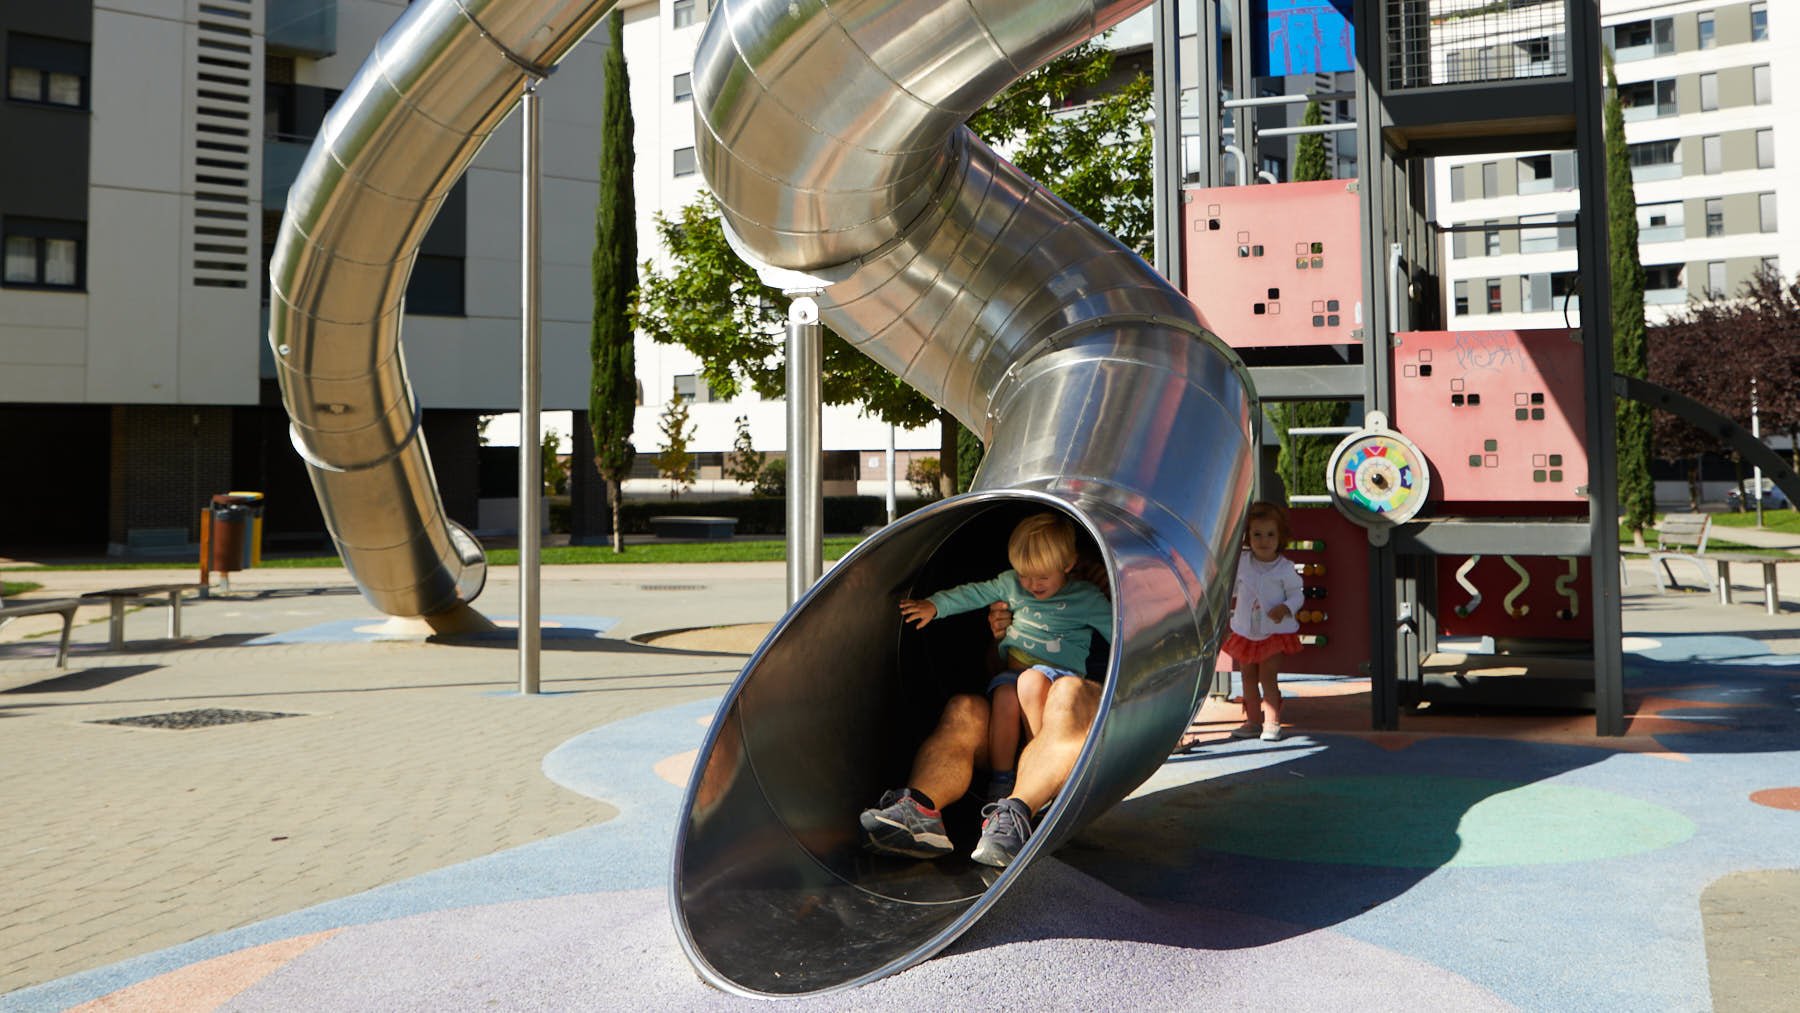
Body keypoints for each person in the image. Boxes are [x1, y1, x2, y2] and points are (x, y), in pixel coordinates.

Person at [867, 513, 1113, 868]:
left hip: (1070, 710)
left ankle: (1018, 811)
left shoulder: (1092, 599)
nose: (1033, 584)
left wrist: (1129, 596)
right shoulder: (1016, 591)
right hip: (1013, 711)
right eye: (1026, 573)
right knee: (966, 707)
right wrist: (995, 637)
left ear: (1071, 562)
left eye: (1043, 574)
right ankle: (921, 810)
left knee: (1067, 694)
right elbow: (994, 650)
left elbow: (1137, 638)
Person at [1224, 500, 1305, 742]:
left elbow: (1297, 593)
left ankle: (1272, 722)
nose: (1264, 540)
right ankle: (1252, 721)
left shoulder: (1284, 568)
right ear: (1248, 537)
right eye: (1257, 534)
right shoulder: (1243, 563)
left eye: (1270, 534)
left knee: (1267, 676)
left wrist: (1286, 607)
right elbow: (1235, 588)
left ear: (1280, 537)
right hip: (1245, 631)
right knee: (1247, 676)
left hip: (1273, 632)